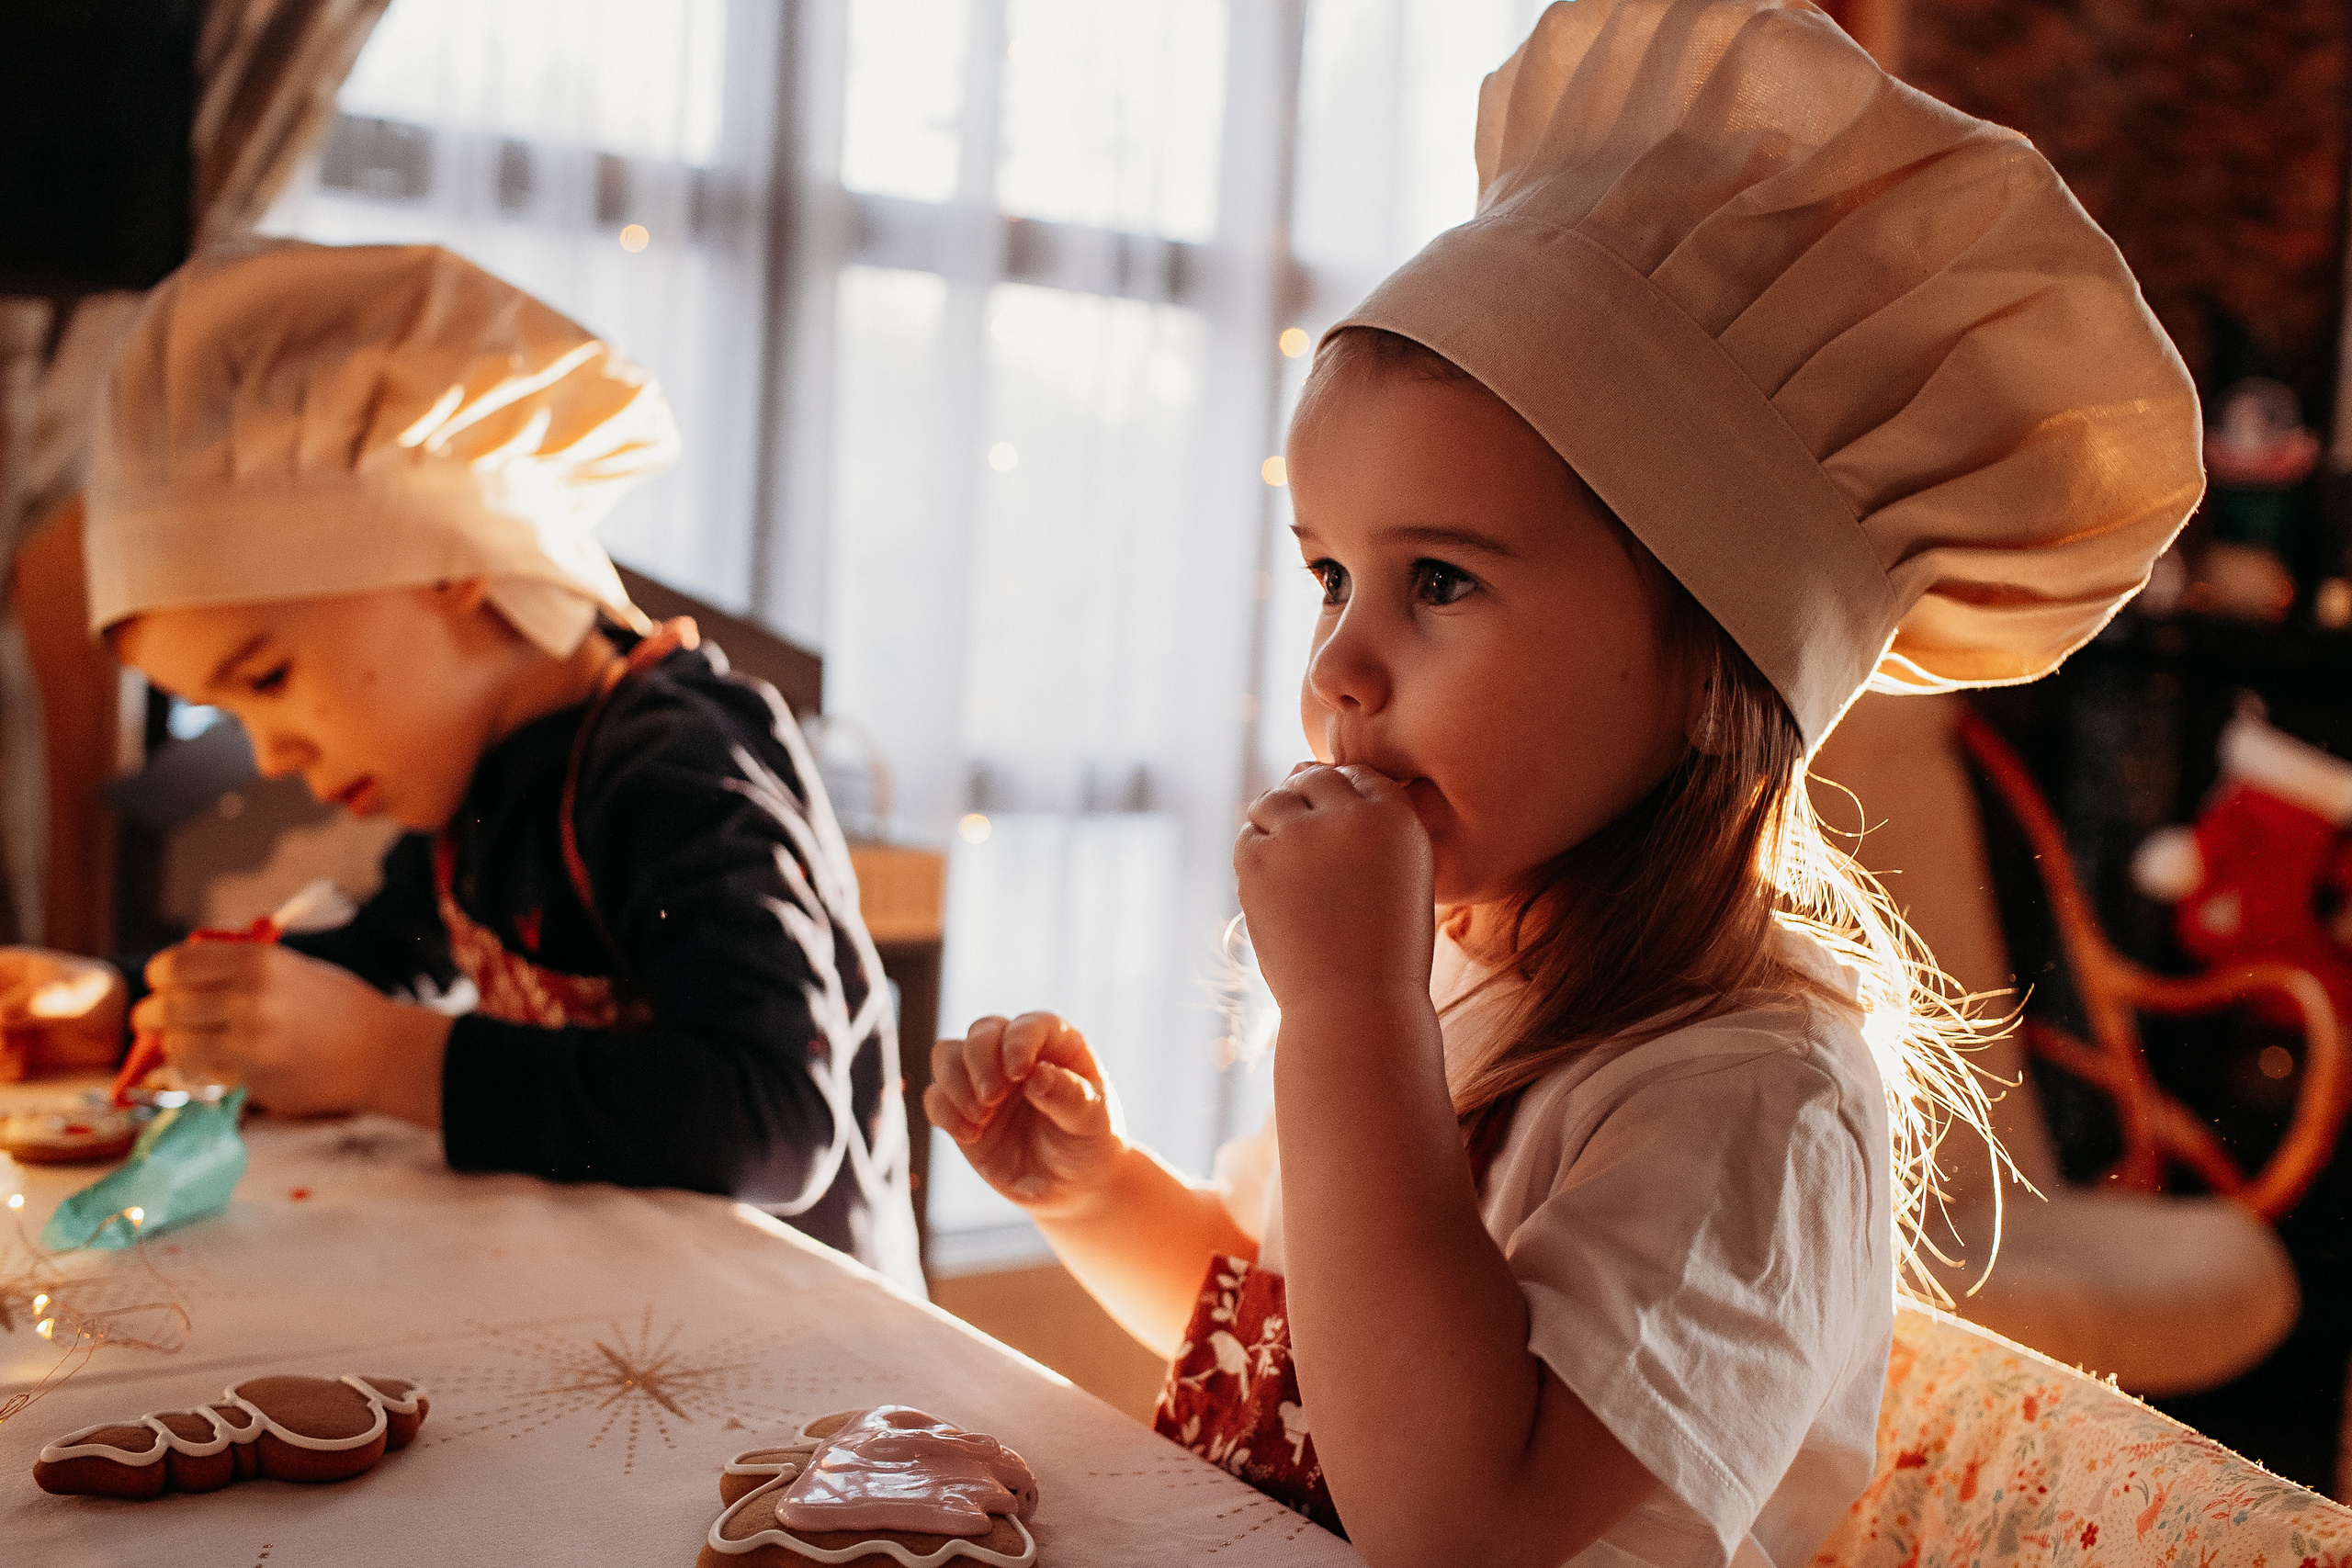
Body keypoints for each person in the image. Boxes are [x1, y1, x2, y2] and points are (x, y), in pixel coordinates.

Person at [926, 2, 2201, 1563]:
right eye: (1330, 573)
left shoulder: (1752, 1103)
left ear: (1703, 668)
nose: (1338, 665)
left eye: (1441, 581)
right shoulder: (1464, 973)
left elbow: (1465, 1522)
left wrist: (1347, 1023)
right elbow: (1308, 1341)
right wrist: (1094, 1188)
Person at [88, 240, 921, 1292]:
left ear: (443, 561)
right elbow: (380, 965)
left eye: (268, 673)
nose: (273, 752)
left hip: (817, 1369)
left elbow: (772, 1118)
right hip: (647, 1324)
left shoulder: (671, 765)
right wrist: (125, 1003)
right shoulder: (481, 787)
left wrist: (391, 1061)